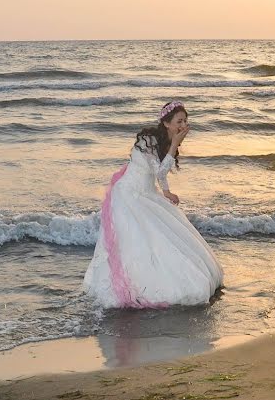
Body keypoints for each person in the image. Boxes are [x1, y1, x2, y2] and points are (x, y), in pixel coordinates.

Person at [84, 101, 223, 308]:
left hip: (148, 192)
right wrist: (175, 144)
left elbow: (160, 174)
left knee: (165, 234)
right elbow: (158, 169)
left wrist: (166, 191)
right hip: (129, 194)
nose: (183, 124)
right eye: (179, 121)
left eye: (185, 120)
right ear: (166, 123)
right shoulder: (148, 141)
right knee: (137, 240)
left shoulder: (168, 140)